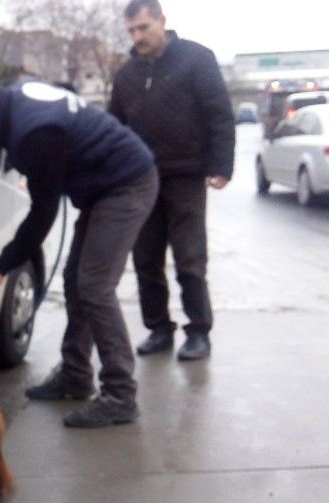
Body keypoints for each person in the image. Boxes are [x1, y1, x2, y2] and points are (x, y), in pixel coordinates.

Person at [0, 72, 158, 428]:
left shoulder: (33, 131)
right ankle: (75, 375)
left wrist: (1, 265)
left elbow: (43, 213)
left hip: (126, 183)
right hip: (102, 186)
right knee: (75, 279)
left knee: (95, 285)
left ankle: (120, 393)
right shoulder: (18, 101)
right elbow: (65, 99)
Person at [109, 0, 236, 361]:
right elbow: (114, 126)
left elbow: (219, 115)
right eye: (132, 31)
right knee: (146, 260)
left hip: (186, 176)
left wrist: (221, 165)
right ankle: (159, 329)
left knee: (189, 259)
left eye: (144, 28)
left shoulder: (196, 59)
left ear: (162, 22)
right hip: (141, 180)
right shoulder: (126, 74)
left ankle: (199, 332)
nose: (138, 37)